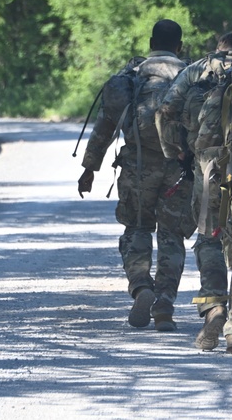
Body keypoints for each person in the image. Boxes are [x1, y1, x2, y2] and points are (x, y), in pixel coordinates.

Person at [78, 20, 195, 332]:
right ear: (180, 47)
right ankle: (165, 302)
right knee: (172, 235)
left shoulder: (133, 77)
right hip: (180, 170)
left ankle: (142, 288)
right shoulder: (191, 76)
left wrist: (90, 168)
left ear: (150, 43)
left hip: (138, 166)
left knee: (137, 228)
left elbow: (106, 124)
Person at [156, 32, 232, 354]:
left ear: (218, 49)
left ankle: (213, 306)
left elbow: (166, 111)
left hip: (208, 167)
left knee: (210, 237)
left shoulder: (197, 70)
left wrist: (175, 151)